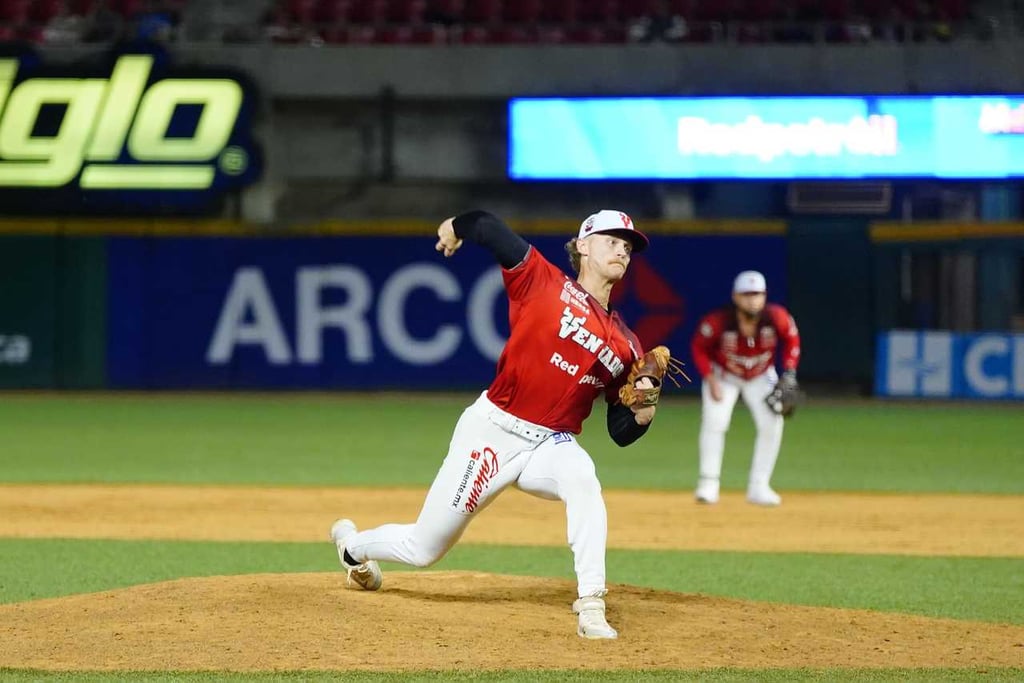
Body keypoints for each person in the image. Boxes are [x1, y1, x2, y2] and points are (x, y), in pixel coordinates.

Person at [331, 209, 666, 640]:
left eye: (628, 246)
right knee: (424, 548)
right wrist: (454, 228)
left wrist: (643, 414)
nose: (622, 249)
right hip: (493, 431)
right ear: (582, 245)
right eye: (612, 239)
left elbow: (620, 431)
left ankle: (591, 603)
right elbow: (488, 227)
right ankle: (352, 548)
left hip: (551, 444)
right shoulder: (542, 281)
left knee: (583, 476)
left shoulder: (626, 343)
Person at [690, 270, 801, 506]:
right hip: (724, 374)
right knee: (715, 423)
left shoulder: (776, 317)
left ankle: (759, 486)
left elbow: (792, 339)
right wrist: (710, 379)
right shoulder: (718, 321)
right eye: (747, 294)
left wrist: (789, 372)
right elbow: (699, 347)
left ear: (764, 296)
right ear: (736, 297)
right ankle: (708, 483)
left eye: (758, 294)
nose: (753, 300)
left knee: (772, 423)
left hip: (761, 374)